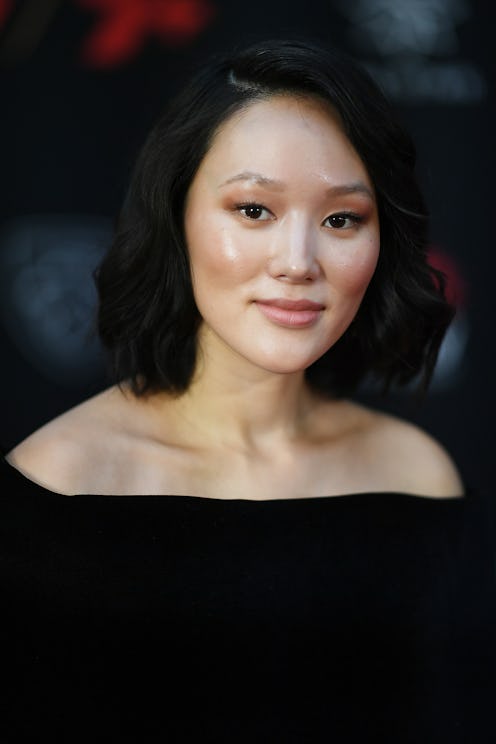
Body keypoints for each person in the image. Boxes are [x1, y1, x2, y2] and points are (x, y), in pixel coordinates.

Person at [1, 39, 495, 742]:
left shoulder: (417, 480)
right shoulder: (52, 494)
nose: (298, 262)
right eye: (254, 210)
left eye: (341, 219)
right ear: (177, 218)